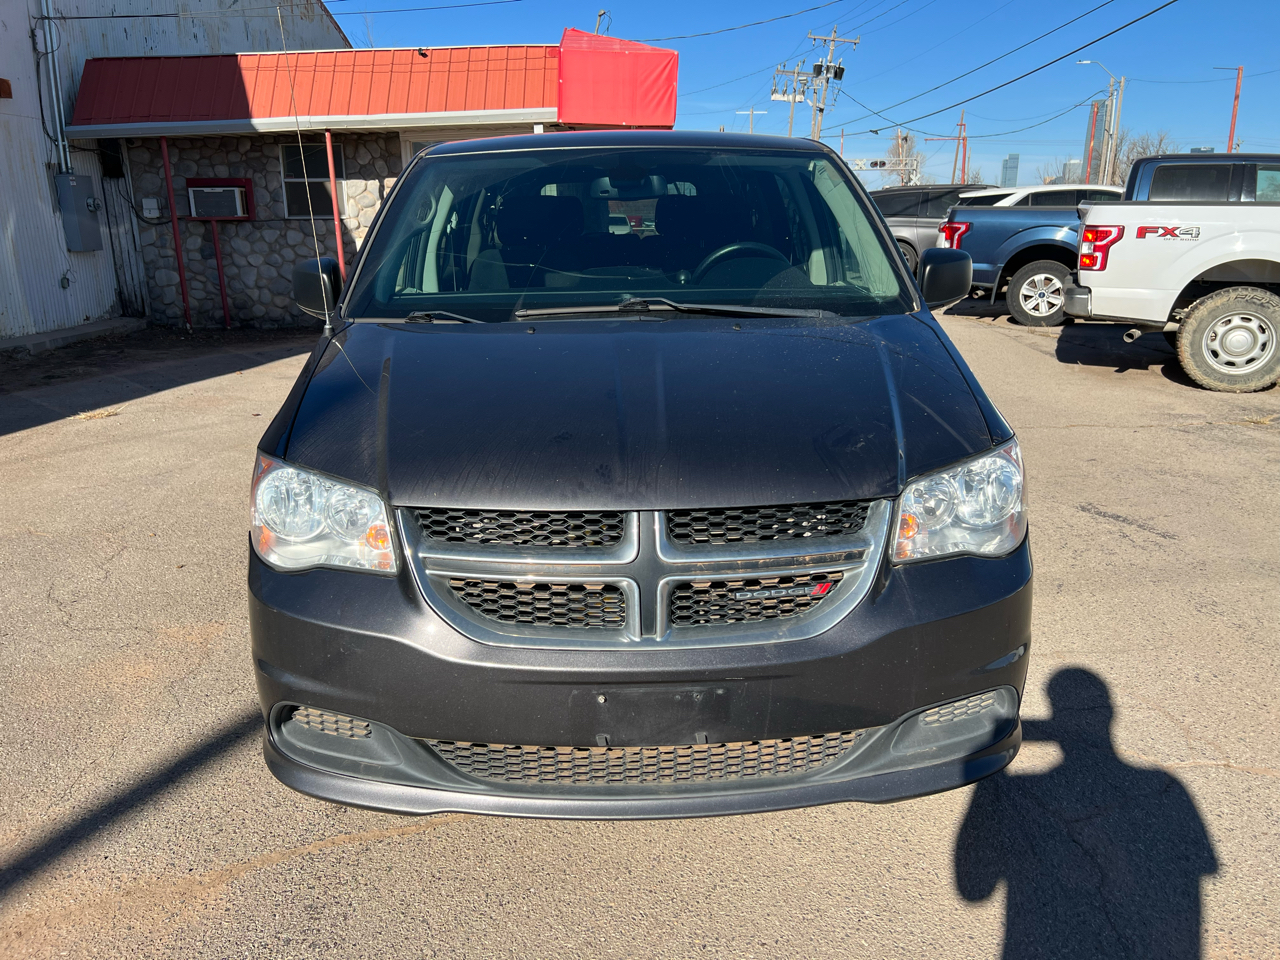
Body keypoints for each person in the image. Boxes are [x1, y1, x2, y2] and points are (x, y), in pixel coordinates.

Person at [955, 668, 1218, 959]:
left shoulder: (1021, 788)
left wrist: (991, 766)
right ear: (1109, 717)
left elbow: (974, 889)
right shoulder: (1167, 787)